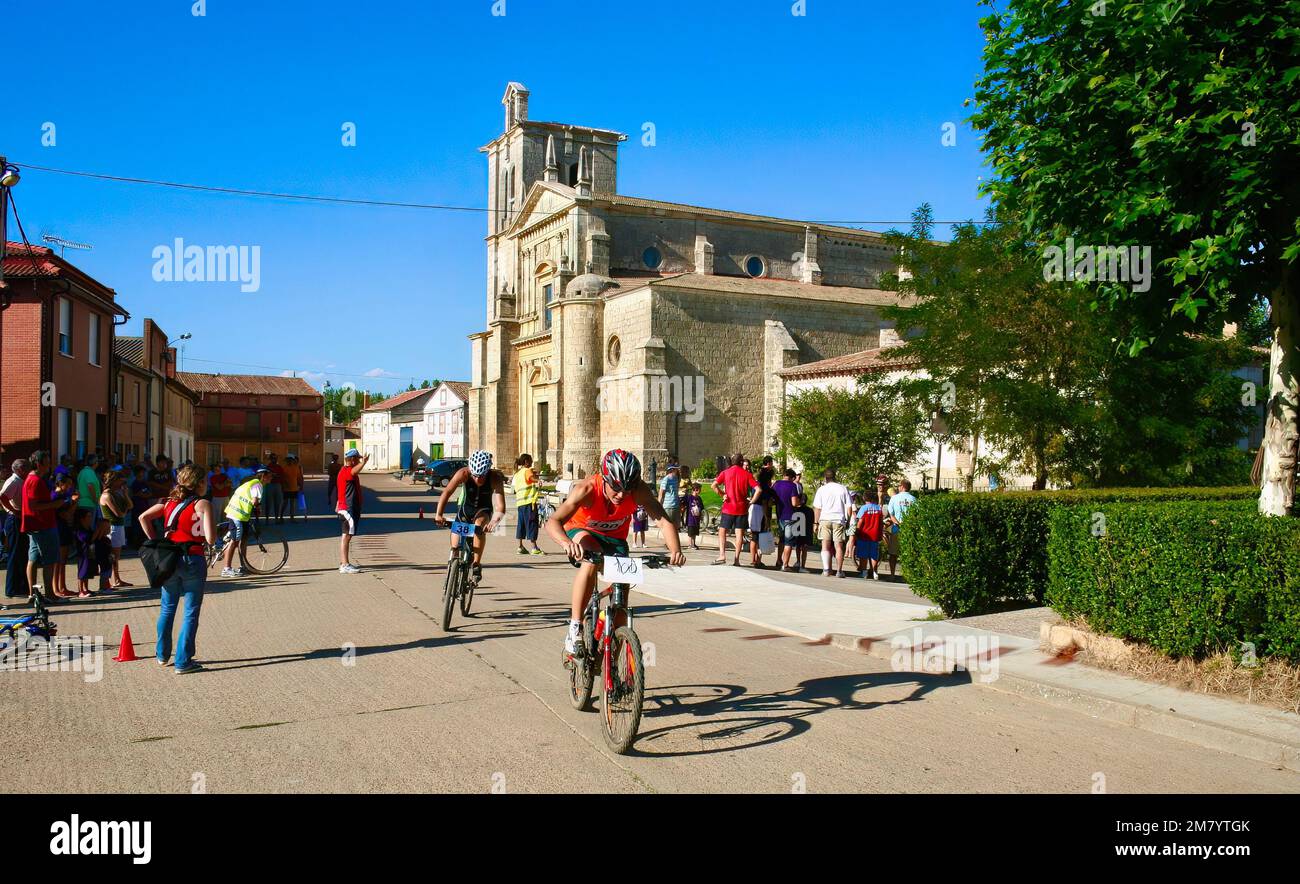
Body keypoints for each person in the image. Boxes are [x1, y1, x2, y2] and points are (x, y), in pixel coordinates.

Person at [547, 449, 684, 657]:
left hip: (615, 539)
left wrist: (676, 550)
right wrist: (566, 542)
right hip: (582, 532)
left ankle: (614, 650)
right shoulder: (587, 489)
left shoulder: (638, 490)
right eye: (616, 488)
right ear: (605, 478)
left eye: (627, 490)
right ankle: (575, 627)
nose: (621, 495)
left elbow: (663, 520)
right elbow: (553, 522)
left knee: (622, 588)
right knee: (592, 557)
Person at [139, 464, 215, 674]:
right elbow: (209, 538)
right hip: (193, 558)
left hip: (169, 558)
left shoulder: (167, 503)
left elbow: (142, 517)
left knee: (167, 607)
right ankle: (183, 661)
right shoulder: (203, 504)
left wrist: (156, 541)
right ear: (199, 483)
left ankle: (162, 655)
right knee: (190, 612)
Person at [434, 449, 505, 584]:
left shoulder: (495, 478)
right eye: (475, 475)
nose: (478, 479)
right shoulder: (463, 473)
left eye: (482, 476)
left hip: (483, 510)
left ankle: (477, 564)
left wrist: (494, 522)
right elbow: (447, 492)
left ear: (488, 471)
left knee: (479, 526)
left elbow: (501, 506)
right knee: (456, 538)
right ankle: (453, 560)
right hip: (466, 509)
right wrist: (439, 514)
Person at [22, 451, 70, 603]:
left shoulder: (31, 479)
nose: (50, 465)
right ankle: (49, 594)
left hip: (35, 525)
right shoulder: (35, 480)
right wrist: (55, 504)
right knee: (50, 560)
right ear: (39, 463)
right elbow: (34, 505)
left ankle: (33, 594)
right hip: (43, 525)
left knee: (34, 559)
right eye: (47, 462)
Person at [221, 466, 272, 578]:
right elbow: (255, 501)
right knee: (234, 541)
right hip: (237, 515)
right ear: (264, 476)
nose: (271, 478)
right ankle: (226, 569)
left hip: (241, 515)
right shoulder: (257, 484)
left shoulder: (251, 483)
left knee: (243, 540)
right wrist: (258, 508)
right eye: (270, 476)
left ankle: (244, 566)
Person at [711, 453, 756, 566]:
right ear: (741, 462)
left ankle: (722, 555)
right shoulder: (746, 474)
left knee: (722, 531)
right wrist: (752, 501)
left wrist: (722, 494)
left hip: (728, 507)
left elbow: (713, 485)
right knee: (739, 533)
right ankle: (736, 560)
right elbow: (758, 489)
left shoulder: (726, 472)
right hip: (742, 508)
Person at [812, 468, 854, 578]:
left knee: (825, 546)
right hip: (839, 520)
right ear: (835, 477)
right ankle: (839, 571)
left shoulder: (821, 489)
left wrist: (815, 523)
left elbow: (817, 508)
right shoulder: (843, 489)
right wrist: (848, 520)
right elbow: (849, 507)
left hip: (825, 519)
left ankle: (826, 570)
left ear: (825, 478)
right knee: (839, 547)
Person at [1, 459, 30, 605]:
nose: (28, 470)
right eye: (26, 468)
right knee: (14, 553)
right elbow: (3, 497)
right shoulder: (13, 481)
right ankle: (12, 588)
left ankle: (21, 586)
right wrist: (13, 510)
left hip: (19, 518)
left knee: (21, 552)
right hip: (14, 520)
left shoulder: (20, 480)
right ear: (19, 469)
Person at [336, 448, 370, 574]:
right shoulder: (347, 471)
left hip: (349, 508)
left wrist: (337, 504)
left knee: (347, 535)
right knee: (346, 536)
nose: (359, 461)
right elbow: (354, 471)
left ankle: (344, 562)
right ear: (352, 459)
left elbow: (341, 490)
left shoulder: (345, 472)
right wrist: (364, 463)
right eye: (357, 459)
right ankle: (344, 564)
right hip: (348, 509)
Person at [99, 469, 134, 588]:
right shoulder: (107, 495)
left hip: (118, 526)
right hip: (112, 527)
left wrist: (125, 494)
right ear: (114, 481)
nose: (122, 484)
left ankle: (116, 579)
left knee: (116, 556)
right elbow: (119, 513)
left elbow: (130, 505)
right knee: (112, 555)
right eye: (120, 481)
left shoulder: (116, 493)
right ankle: (111, 580)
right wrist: (124, 512)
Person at [511, 454, 544, 555]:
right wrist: (538, 481)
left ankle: (520, 547)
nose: (532, 462)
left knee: (521, 524)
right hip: (529, 502)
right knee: (532, 523)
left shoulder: (517, 474)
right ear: (526, 462)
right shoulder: (527, 470)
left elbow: (514, 487)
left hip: (520, 503)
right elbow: (530, 478)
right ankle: (534, 547)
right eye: (530, 460)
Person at [884, 479, 918, 578]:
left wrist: (897, 523)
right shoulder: (914, 499)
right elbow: (917, 515)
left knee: (893, 554)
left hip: (896, 529)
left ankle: (892, 574)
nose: (898, 488)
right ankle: (908, 575)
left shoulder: (894, 498)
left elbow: (891, 514)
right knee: (908, 553)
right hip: (909, 529)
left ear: (902, 487)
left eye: (899, 486)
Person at [747, 468, 776, 567]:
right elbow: (772, 501)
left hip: (753, 509)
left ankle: (753, 559)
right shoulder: (769, 489)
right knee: (761, 537)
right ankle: (758, 560)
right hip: (763, 512)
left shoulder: (756, 485)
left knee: (754, 536)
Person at [854, 489, 885, 579]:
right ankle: (875, 572)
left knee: (863, 555)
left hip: (864, 535)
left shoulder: (863, 508)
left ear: (864, 498)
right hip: (875, 535)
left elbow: (860, 522)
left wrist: (857, 532)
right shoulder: (878, 508)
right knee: (874, 555)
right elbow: (880, 522)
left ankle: (864, 572)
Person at [772, 468, 800, 565]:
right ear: (792, 477)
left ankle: (778, 560)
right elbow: (794, 503)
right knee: (788, 542)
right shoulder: (793, 486)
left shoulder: (776, 484)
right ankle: (785, 564)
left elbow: (772, 499)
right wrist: (799, 502)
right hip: (790, 516)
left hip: (780, 516)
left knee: (781, 540)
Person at [263, 453, 286, 525]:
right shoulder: (267, 467)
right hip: (269, 485)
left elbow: (282, 477)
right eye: (273, 458)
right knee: (268, 502)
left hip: (277, 485)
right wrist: (271, 475)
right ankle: (267, 519)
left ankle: (276, 518)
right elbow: (264, 477)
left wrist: (282, 487)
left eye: (275, 458)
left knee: (277, 502)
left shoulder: (279, 467)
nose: (274, 460)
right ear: (270, 459)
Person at [658, 463, 681, 530]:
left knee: (676, 528)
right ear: (672, 469)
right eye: (677, 469)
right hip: (668, 506)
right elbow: (661, 494)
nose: (678, 470)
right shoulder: (666, 479)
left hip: (676, 506)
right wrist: (659, 506)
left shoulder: (676, 478)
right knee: (669, 529)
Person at [281, 455, 304, 521]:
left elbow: (299, 478)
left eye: (290, 460)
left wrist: (301, 486)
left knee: (292, 503)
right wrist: (282, 487)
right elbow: (282, 478)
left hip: (294, 488)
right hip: (286, 488)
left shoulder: (296, 467)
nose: (289, 461)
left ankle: (292, 517)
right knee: (285, 503)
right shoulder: (284, 468)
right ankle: (281, 516)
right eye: (288, 460)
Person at [683, 483, 704, 550]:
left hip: (696, 519)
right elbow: (684, 503)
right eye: (699, 489)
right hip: (690, 518)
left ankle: (693, 543)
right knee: (690, 532)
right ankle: (690, 544)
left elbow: (701, 507)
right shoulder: (689, 497)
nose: (700, 490)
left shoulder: (699, 498)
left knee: (695, 532)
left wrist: (701, 516)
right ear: (695, 489)